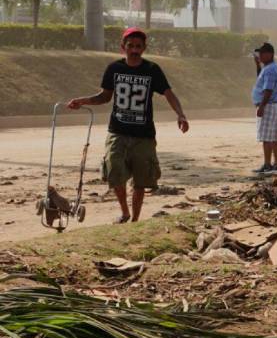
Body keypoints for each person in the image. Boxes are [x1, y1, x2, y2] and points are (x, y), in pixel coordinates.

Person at [66, 27, 188, 223]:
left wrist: (180, 114)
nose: (134, 50)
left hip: (144, 135)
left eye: (138, 46)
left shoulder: (152, 70)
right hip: (117, 132)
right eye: (130, 46)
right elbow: (104, 97)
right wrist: (82, 101)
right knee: (114, 172)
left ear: (144, 48)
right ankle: (125, 212)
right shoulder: (114, 68)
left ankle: (135, 220)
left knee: (141, 180)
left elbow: (168, 93)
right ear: (123, 47)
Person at [251, 42, 277, 174]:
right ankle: (276, 164)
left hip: (268, 106)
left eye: (262, 53)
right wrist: (258, 65)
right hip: (273, 106)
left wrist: (261, 106)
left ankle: (267, 164)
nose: (260, 56)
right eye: (259, 53)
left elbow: (268, 90)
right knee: (274, 137)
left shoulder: (270, 70)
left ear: (270, 54)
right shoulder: (271, 67)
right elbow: (263, 82)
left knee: (267, 138)